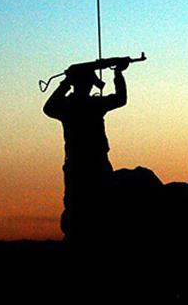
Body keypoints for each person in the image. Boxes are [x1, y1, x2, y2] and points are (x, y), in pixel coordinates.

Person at [43, 61, 129, 243]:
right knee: (97, 209)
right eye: (89, 82)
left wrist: (66, 83)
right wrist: (118, 74)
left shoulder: (68, 105)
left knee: (81, 208)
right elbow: (120, 99)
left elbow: (49, 108)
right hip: (93, 164)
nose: (90, 86)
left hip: (80, 164)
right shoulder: (92, 104)